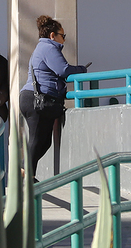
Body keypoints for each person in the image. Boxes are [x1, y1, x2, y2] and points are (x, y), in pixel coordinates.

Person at [20, 15, 88, 173]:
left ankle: (26, 172)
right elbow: (63, 70)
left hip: (36, 99)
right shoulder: (48, 47)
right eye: (62, 36)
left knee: (44, 142)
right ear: (52, 35)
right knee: (37, 140)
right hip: (37, 99)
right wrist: (82, 69)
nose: (64, 40)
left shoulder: (43, 47)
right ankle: (25, 175)